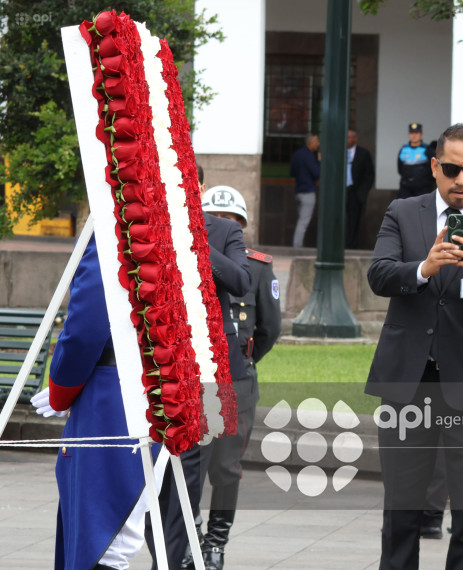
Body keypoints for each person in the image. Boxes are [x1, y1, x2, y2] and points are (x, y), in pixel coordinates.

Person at [366, 123, 463, 570]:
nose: (461, 181)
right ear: (434, 166)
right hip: (407, 385)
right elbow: (379, 274)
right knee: (401, 509)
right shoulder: (403, 212)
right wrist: (423, 268)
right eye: (451, 168)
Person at [169, 185, 281, 570]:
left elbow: (269, 328)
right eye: (219, 217)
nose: (225, 225)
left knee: (225, 466)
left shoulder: (255, 264)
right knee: (191, 459)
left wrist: (246, 364)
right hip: (192, 373)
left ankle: (216, 541)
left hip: (234, 375)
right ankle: (191, 535)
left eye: (233, 221)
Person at [146, 168, 251, 570]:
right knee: (161, 474)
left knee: (201, 472)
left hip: (214, 369)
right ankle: (169, 556)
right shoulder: (146, 227)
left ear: (200, 189)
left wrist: (196, 243)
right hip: (161, 364)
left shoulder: (224, 231)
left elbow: (242, 280)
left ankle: (187, 552)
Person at [39, 235, 151, 570]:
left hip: (112, 399)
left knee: (102, 543)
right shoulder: (174, 219)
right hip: (162, 394)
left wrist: (62, 389)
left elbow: (86, 327)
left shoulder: (116, 222)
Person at [345, 129, 375, 249]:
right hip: (341, 192)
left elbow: (369, 175)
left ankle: (351, 246)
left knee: (354, 221)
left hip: (355, 191)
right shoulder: (339, 152)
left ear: (355, 138)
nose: (347, 140)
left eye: (350, 137)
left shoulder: (363, 153)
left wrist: (361, 193)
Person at [290, 133, 321, 247]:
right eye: (317, 141)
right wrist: (319, 162)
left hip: (298, 191)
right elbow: (317, 173)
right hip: (308, 191)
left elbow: (292, 172)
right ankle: (297, 246)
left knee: (301, 219)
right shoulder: (309, 156)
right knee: (303, 221)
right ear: (310, 142)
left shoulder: (297, 154)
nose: (318, 144)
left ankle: (297, 245)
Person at [397, 122, 435, 199]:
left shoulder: (427, 149)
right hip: (406, 188)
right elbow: (400, 169)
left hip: (423, 188)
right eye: (412, 133)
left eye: (416, 133)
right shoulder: (404, 149)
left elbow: (434, 167)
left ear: (421, 134)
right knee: (404, 208)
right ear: (409, 134)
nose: (414, 135)